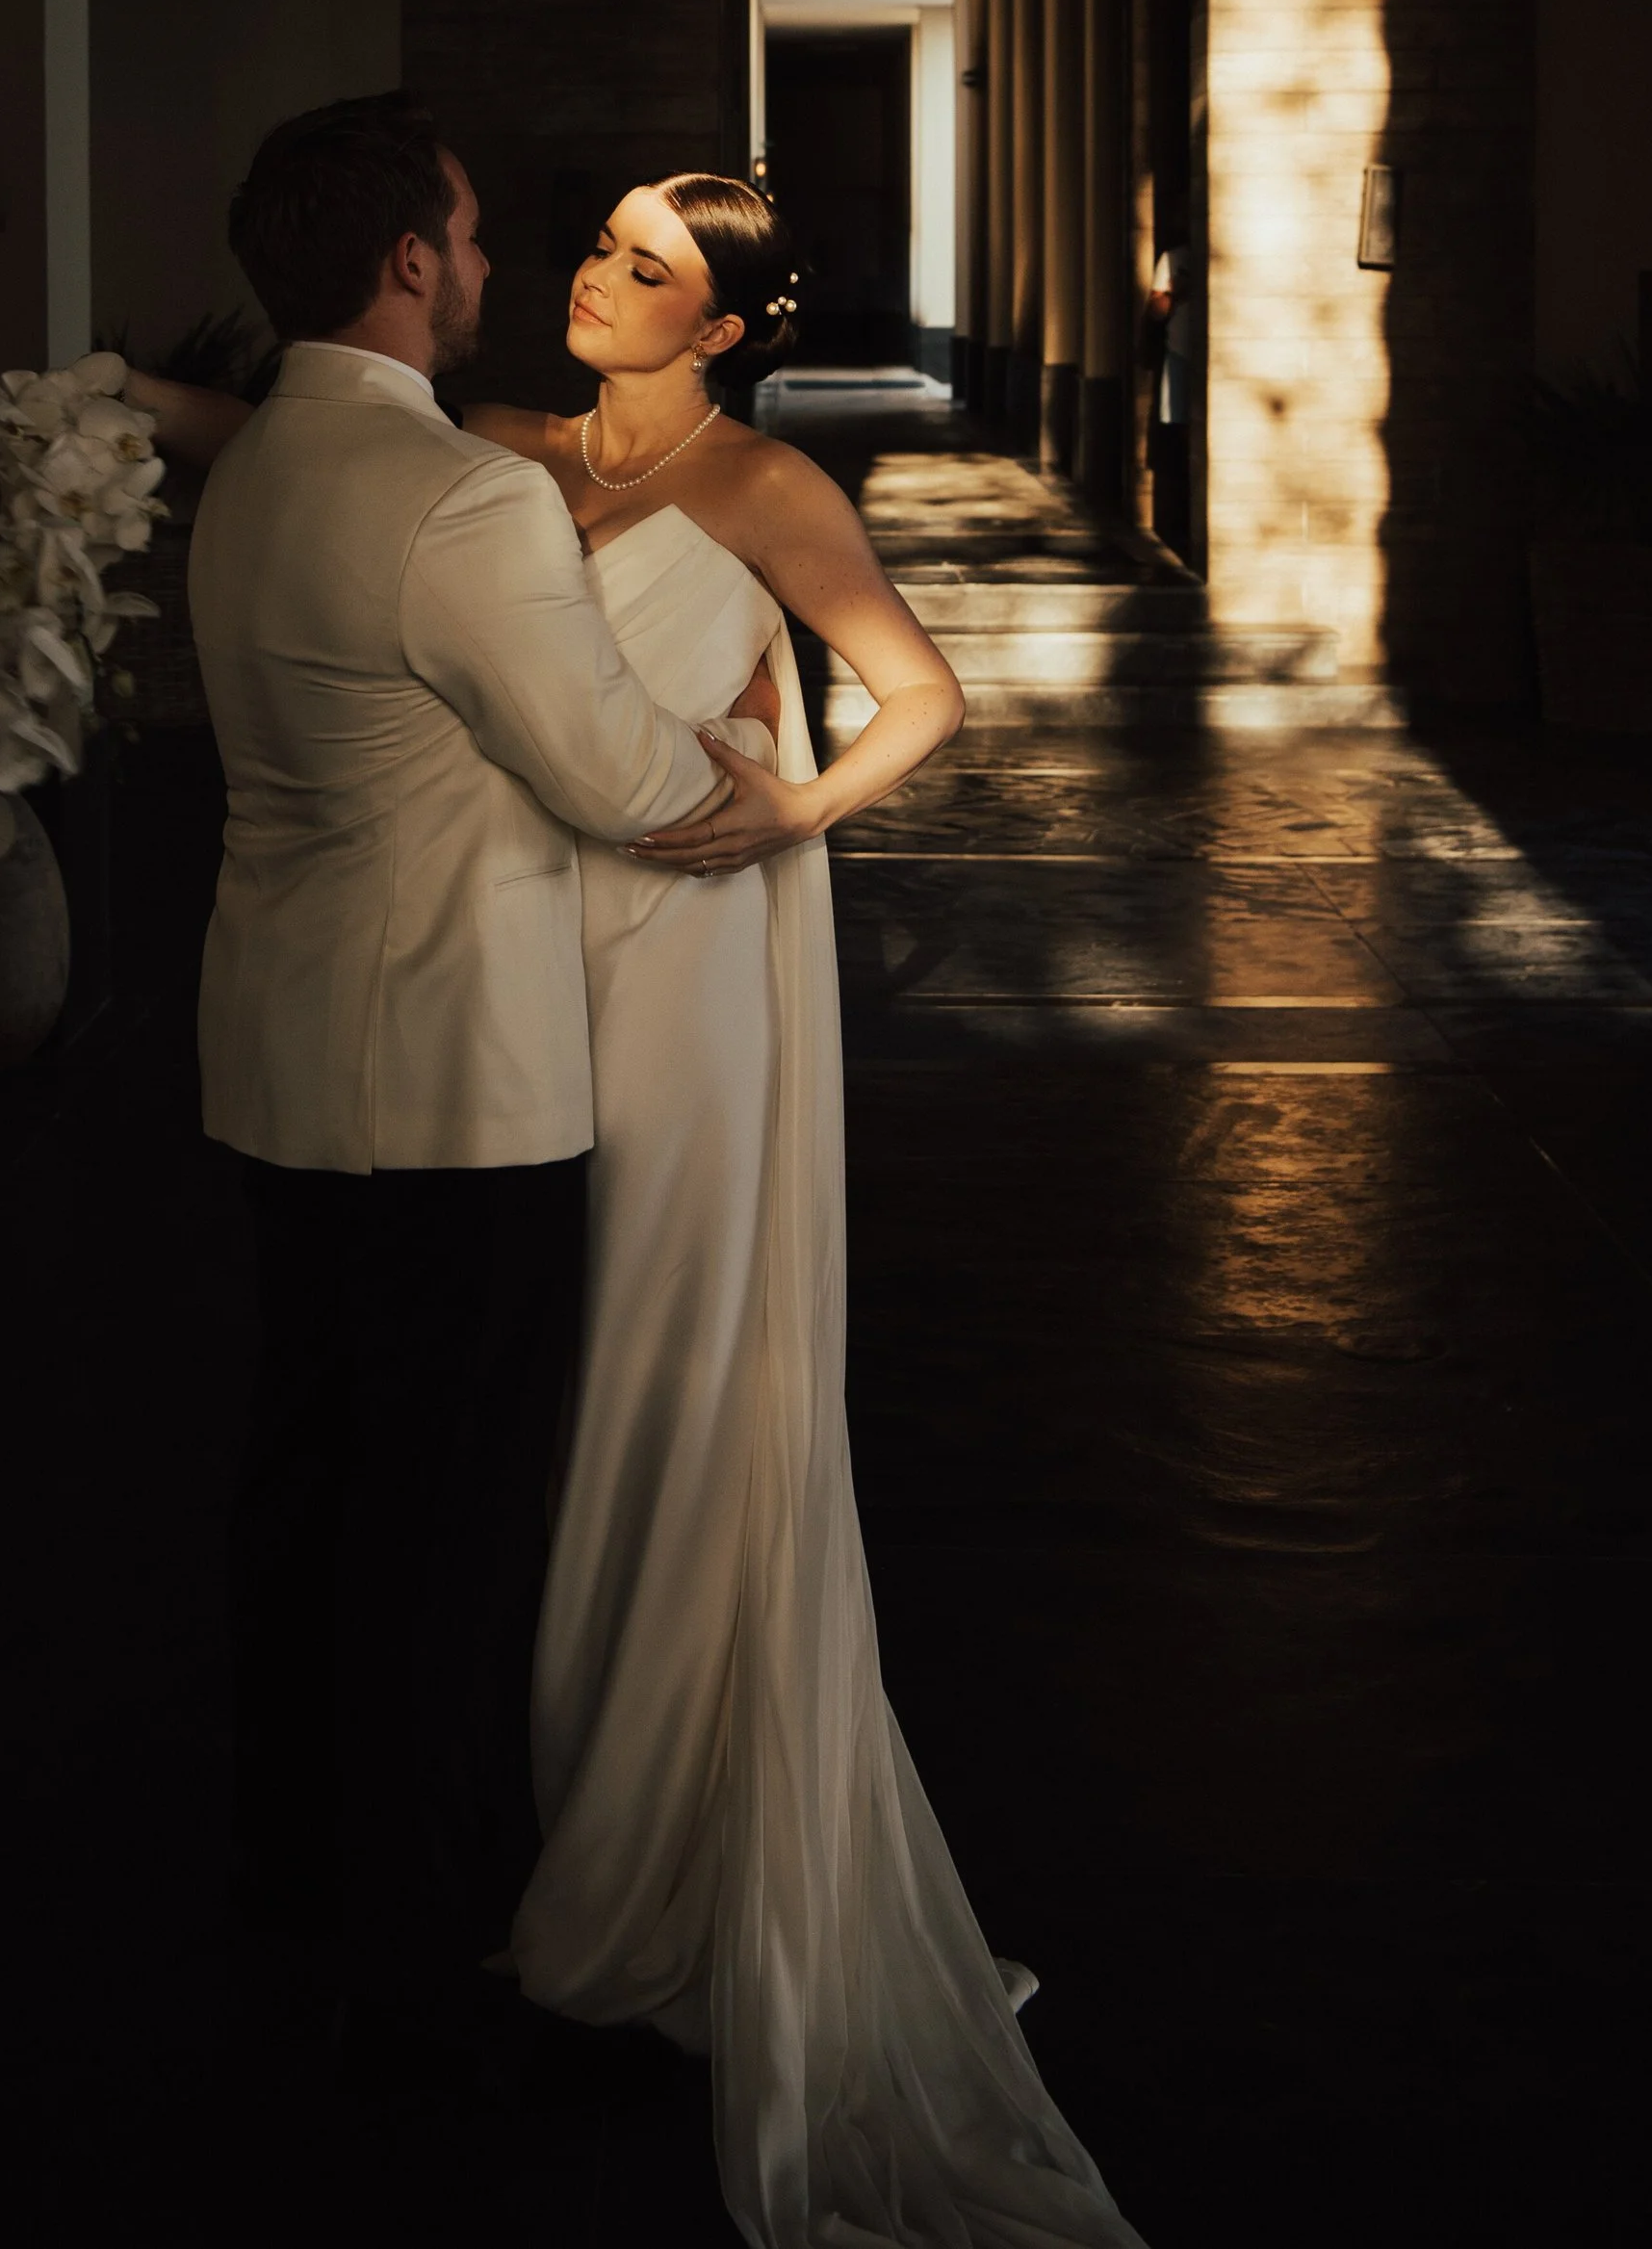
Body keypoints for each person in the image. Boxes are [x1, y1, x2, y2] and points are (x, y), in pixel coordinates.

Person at [463, 174, 1148, 2249]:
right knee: (554, 1367)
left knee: (667, 1360)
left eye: (648, 272)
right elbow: (300, 435)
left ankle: (666, 1841)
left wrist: (797, 807)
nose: (597, 280)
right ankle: (597, 1805)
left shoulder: (766, 487)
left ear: (726, 328)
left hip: (687, 969)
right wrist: (97, 402)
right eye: (599, 245)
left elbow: (923, 694)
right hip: (530, 952)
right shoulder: (511, 451)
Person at [166, 93, 736, 2088]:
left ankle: (292, 1887)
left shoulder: (255, 465)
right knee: (446, 1528)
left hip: (280, 1056)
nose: (494, 267)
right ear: (408, 261)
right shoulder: (458, 500)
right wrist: (746, 742)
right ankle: (416, 1950)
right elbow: (622, 778)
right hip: (453, 1091)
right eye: (476, 237)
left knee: (306, 1495)